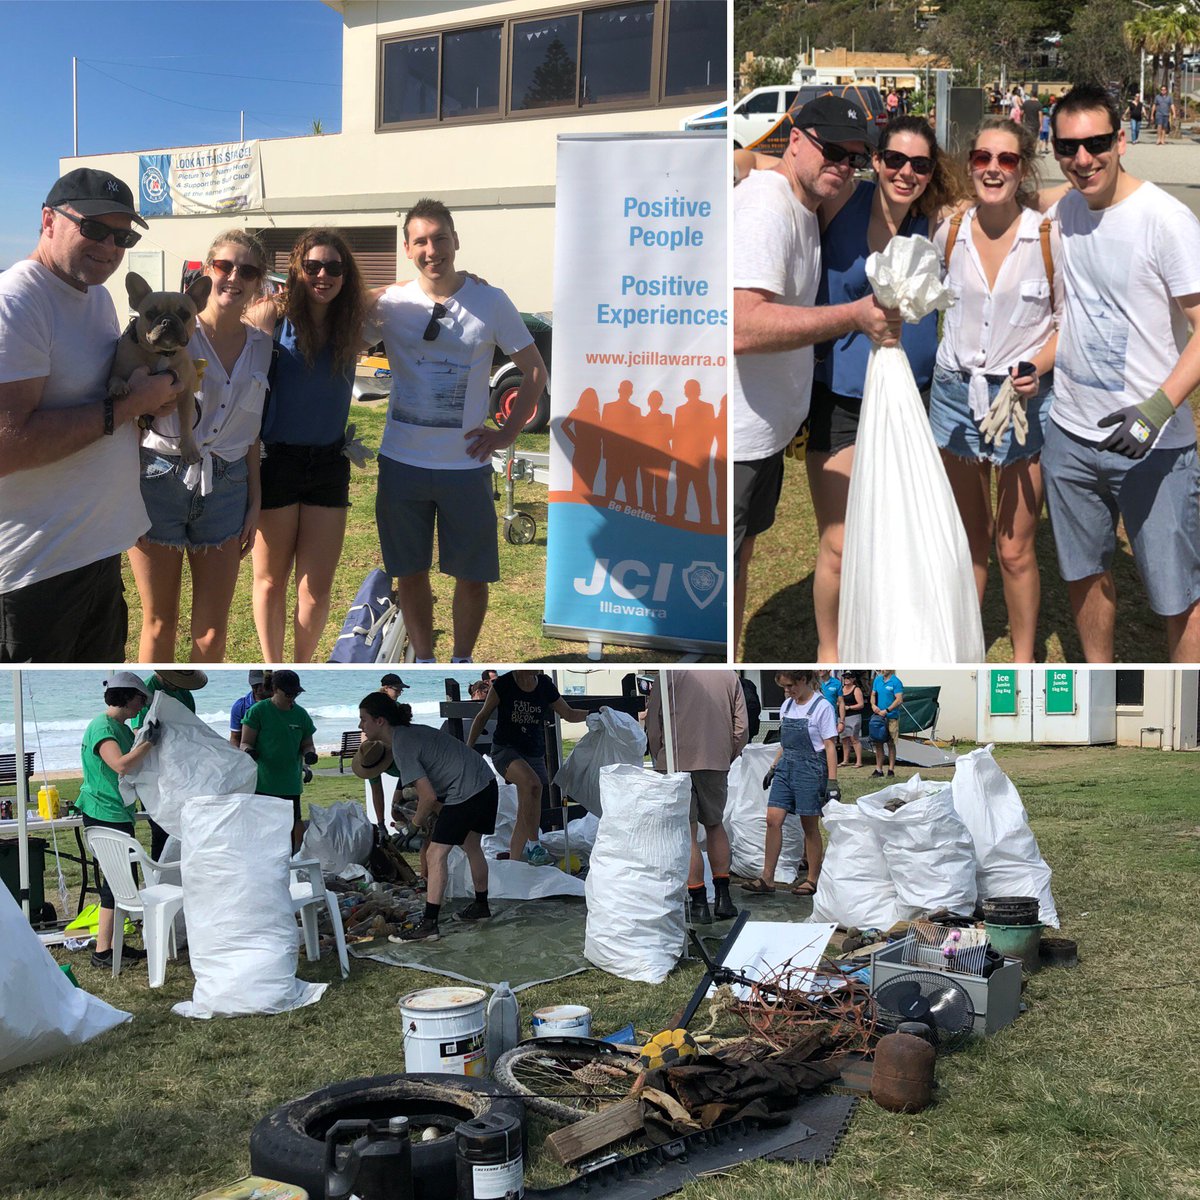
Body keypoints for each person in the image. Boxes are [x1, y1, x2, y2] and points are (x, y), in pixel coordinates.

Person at [732, 97, 900, 650]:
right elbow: (741, 326)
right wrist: (853, 316)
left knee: (740, 557)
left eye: (855, 158)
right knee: (724, 567)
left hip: (761, 433)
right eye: (833, 150)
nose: (843, 166)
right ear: (797, 139)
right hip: (733, 438)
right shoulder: (767, 207)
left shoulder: (802, 203)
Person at [1043, 84, 1200, 661]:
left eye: (1097, 143)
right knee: (1084, 574)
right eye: (1068, 147)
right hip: (1069, 435)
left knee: (1178, 595)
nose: (1084, 159)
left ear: (1122, 141)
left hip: (1154, 445)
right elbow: (1012, 199)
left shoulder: (1166, 220)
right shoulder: (1066, 210)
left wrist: (1155, 412)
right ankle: (1098, 685)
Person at [0, 168, 181, 662]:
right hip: (36, 571)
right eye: (95, 228)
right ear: (48, 221)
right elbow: (8, 445)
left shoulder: (97, 297)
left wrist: (150, 404)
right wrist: (131, 405)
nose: (110, 246)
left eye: (123, 237)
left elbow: (106, 404)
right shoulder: (16, 302)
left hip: (99, 552)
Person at [806, 115, 962, 658]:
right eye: (894, 159)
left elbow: (1014, 201)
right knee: (841, 543)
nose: (905, 173)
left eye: (919, 164)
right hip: (843, 401)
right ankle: (831, 651)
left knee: (907, 535)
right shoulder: (840, 202)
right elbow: (758, 165)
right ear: (875, 160)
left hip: (916, 401)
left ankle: (894, 639)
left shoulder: (936, 221)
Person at [371, 198, 549, 664]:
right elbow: (338, 333)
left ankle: (463, 658)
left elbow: (534, 371)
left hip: (465, 467)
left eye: (440, 239)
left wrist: (506, 434)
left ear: (456, 241)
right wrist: (379, 291)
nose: (432, 250)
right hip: (402, 464)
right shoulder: (390, 304)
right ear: (407, 249)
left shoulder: (490, 301)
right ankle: (425, 659)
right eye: (421, 242)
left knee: (472, 575)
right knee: (409, 572)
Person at [930, 117, 1061, 662]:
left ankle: (1024, 660)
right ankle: (966, 652)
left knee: (1014, 548)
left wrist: (1037, 365)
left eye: (1006, 160)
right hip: (955, 396)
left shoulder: (1047, 237)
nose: (992, 169)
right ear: (970, 165)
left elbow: (1066, 323)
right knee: (970, 539)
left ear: (1022, 169)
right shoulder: (949, 232)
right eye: (982, 158)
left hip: (1021, 402)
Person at [128, 229, 272, 662]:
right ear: (207, 272)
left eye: (248, 271)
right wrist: (123, 492)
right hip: (157, 479)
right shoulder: (163, 335)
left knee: (211, 633)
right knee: (159, 622)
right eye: (225, 266)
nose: (234, 277)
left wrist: (254, 501)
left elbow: (250, 431)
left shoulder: (262, 347)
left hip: (227, 487)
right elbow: (129, 415)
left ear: (258, 281)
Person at [247, 228, 371, 663]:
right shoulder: (272, 315)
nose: (323, 275)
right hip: (277, 460)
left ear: (345, 275)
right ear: (297, 269)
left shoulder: (353, 322)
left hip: (328, 464)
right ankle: (272, 668)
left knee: (316, 590)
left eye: (334, 267)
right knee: (270, 581)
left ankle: (300, 668)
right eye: (313, 266)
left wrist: (460, 281)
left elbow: (404, 294)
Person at [358, 692, 499, 942]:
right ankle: (481, 906)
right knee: (471, 845)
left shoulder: (402, 744)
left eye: (364, 719)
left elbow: (428, 797)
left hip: (465, 790)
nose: (361, 726)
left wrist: (412, 827)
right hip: (486, 782)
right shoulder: (410, 733)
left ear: (380, 721)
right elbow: (436, 795)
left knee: (435, 854)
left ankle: (429, 924)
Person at [645, 671, 748, 925]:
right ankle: (724, 899)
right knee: (715, 824)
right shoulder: (729, 676)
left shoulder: (667, 674)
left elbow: (654, 723)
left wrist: (659, 755)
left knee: (688, 831)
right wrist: (728, 753)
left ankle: (699, 903)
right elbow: (742, 726)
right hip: (715, 758)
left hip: (676, 760)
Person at [73, 672, 159, 968]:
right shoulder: (102, 726)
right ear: (126, 697)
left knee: (121, 883)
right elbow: (121, 765)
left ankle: (113, 946)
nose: (142, 705)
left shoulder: (121, 728)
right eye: (140, 699)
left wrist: (145, 739)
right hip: (103, 811)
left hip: (116, 811)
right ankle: (102, 952)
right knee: (115, 884)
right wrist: (149, 743)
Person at [466, 670, 588, 865]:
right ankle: (534, 846)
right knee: (533, 784)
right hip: (505, 750)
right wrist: (468, 750)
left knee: (527, 806)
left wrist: (596, 715)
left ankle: (514, 863)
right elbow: (482, 717)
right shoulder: (504, 684)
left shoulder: (544, 684)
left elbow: (569, 714)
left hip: (534, 753)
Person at [741, 670, 838, 898]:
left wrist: (832, 781)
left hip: (811, 769)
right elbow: (785, 743)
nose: (787, 691)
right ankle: (767, 878)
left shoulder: (822, 707)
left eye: (790, 686)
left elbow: (830, 746)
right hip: (786, 768)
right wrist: (773, 767)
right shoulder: (787, 706)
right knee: (772, 820)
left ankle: (812, 879)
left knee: (809, 825)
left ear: (803, 680)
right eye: (784, 687)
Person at [130, 668, 208, 858]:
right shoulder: (146, 691)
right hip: (155, 771)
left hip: (180, 770)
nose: (179, 684)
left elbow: (192, 727)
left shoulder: (184, 692)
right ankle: (159, 870)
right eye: (176, 679)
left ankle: (181, 868)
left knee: (185, 826)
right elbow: (138, 732)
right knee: (160, 828)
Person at [240, 668, 317, 852]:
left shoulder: (301, 715)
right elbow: (244, 742)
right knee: (264, 832)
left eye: (296, 693)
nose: (292, 697)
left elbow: (308, 744)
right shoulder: (258, 711)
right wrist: (249, 751)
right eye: (288, 693)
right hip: (263, 784)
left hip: (291, 784)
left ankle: (289, 861)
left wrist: (309, 753)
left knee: (289, 830)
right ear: (275, 689)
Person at [870, 668, 904, 777]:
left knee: (891, 743)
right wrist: (873, 705)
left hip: (891, 717)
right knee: (878, 742)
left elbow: (899, 699)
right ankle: (879, 769)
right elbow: (873, 694)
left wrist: (887, 710)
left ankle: (891, 770)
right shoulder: (877, 680)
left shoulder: (896, 682)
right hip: (879, 716)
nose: (883, 669)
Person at [229, 669, 270, 748]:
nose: (258, 688)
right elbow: (235, 737)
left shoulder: (281, 703)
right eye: (255, 684)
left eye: (262, 684)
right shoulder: (240, 706)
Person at [840, 671, 865, 768]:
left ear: (853, 679)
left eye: (849, 677)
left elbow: (861, 704)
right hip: (842, 717)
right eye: (845, 677)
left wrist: (849, 707)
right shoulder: (841, 689)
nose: (846, 679)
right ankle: (845, 760)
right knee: (844, 739)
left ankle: (859, 761)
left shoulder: (856, 689)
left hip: (853, 716)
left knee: (854, 738)